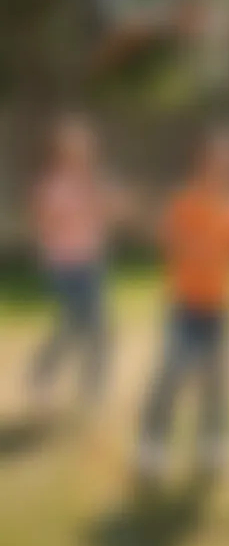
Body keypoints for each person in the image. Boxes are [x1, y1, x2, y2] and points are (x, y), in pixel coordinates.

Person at [136, 126, 229, 483]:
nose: (224, 167)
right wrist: (195, 247)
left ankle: (212, 442)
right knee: (172, 373)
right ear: (202, 162)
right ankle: (152, 443)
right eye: (217, 160)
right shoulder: (186, 201)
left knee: (217, 381)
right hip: (185, 306)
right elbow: (167, 238)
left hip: (220, 308)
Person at [29, 114, 126, 414]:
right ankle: (45, 373)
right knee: (76, 325)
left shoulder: (94, 182)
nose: (81, 154)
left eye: (85, 149)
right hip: (64, 265)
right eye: (74, 149)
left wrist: (106, 201)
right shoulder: (52, 186)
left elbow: (112, 214)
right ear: (61, 153)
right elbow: (46, 224)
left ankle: (91, 390)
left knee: (95, 327)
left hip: (91, 262)